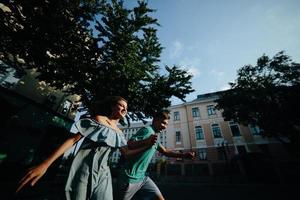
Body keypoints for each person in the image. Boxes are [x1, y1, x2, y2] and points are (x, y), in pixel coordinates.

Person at [16, 96, 156, 200]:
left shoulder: (120, 132)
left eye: (126, 107)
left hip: (104, 174)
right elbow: (72, 140)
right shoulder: (98, 119)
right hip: (83, 169)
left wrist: (147, 146)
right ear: (113, 106)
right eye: (121, 105)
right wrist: (46, 164)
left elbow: (126, 153)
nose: (125, 109)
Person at [117, 110, 195, 200]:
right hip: (129, 178)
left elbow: (165, 151)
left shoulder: (154, 136)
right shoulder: (147, 130)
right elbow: (130, 144)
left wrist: (184, 155)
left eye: (166, 124)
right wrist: (146, 141)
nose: (165, 127)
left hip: (143, 178)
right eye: (163, 123)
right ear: (155, 120)